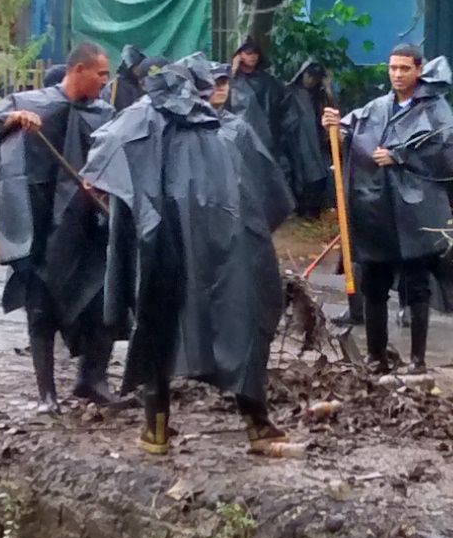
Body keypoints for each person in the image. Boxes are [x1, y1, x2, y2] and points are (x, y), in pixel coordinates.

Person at [85, 55, 300, 458]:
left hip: (165, 249)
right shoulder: (228, 132)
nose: (219, 90)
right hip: (223, 255)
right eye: (213, 84)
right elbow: (271, 200)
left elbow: (103, 160)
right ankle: (255, 424)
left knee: (159, 323)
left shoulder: (145, 121)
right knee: (234, 325)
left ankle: (157, 430)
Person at [0, 43, 127, 410]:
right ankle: (46, 394)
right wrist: (13, 120)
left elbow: (123, 159)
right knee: (40, 307)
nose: (106, 82)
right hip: (40, 224)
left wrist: (105, 183)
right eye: (101, 74)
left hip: (88, 227)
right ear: (79, 70)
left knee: (101, 301)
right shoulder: (32, 103)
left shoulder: (106, 115)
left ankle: (93, 380)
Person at [323, 45, 453, 373]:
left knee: (417, 286)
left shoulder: (435, 110)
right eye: (392, 68)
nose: (397, 74)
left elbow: (450, 150)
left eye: (404, 68)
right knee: (374, 281)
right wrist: (335, 126)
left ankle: (418, 360)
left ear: (419, 70)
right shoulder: (378, 107)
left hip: (416, 212)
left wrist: (401, 156)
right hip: (379, 210)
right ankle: (376, 356)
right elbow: (351, 129)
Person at [229, 41, 330, 213]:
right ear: (239, 55)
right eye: (247, 52)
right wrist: (232, 71)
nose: (252, 56)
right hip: (239, 139)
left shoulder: (269, 82)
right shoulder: (229, 81)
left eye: (255, 52)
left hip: (269, 138)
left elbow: (285, 109)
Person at [284, 59, 337, 215]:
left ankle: (314, 210)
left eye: (315, 77)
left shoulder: (320, 96)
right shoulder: (291, 92)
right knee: (301, 174)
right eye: (309, 75)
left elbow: (332, 110)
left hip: (318, 142)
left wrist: (327, 88)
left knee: (319, 173)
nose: (311, 80)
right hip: (296, 142)